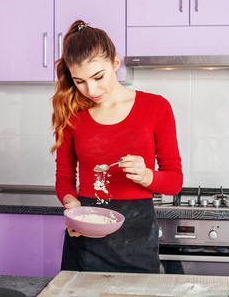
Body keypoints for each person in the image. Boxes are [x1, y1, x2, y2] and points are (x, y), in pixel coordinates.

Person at [51, 20, 183, 273]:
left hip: (138, 240)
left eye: (98, 77)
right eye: (79, 81)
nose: (91, 89)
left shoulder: (156, 107)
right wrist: (73, 209)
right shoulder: (71, 114)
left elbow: (174, 180)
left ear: (115, 63)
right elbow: (65, 178)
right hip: (85, 240)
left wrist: (146, 175)